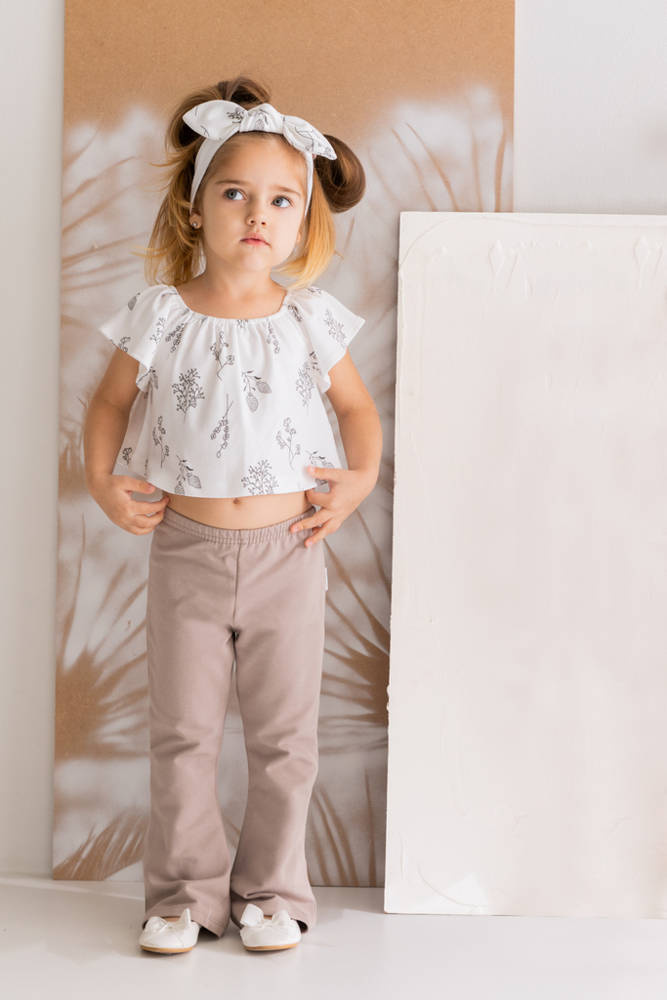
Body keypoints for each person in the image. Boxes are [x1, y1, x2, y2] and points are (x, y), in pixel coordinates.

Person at [84, 75, 382, 955]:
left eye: (281, 199)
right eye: (234, 193)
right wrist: (103, 479)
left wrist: (360, 479)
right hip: (186, 551)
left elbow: (357, 411)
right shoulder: (162, 313)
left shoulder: (309, 318)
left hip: (290, 552)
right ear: (194, 208)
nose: (258, 213)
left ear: (302, 221)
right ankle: (183, 896)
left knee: (285, 739)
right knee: (182, 735)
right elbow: (108, 404)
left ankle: (272, 893)